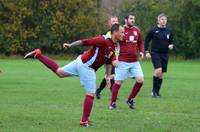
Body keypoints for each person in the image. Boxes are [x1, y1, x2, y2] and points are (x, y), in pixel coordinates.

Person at [24, 24, 124, 127]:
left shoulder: (116, 46)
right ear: (115, 32)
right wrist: (70, 45)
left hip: (81, 61)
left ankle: (38, 54)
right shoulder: (103, 40)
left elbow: (108, 61)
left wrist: (108, 75)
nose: (123, 34)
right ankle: (84, 121)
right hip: (86, 66)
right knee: (91, 92)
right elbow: (85, 41)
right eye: (121, 32)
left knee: (60, 72)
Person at [109, 15, 144, 110]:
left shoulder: (137, 30)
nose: (133, 20)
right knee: (118, 82)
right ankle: (112, 103)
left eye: (134, 19)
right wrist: (114, 58)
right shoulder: (121, 30)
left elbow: (140, 43)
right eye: (131, 19)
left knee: (140, 80)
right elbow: (114, 45)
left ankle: (130, 99)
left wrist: (141, 52)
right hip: (122, 61)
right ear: (126, 20)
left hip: (134, 62)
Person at [144, 13, 174, 97]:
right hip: (155, 53)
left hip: (165, 54)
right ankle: (153, 91)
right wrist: (146, 52)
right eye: (162, 19)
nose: (164, 21)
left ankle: (157, 92)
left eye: (165, 19)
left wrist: (171, 45)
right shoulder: (153, 30)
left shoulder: (169, 31)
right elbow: (146, 41)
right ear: (158, 20)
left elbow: (171, 41)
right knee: (158, 71)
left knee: (161, 74)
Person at [96, 16, 119, 99]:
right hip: (108, 58)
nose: (115, 23)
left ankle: (98, 90)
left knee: (110, 76)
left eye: (116, 21)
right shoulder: (105, 34)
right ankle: (113, 95)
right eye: (113, 21)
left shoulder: (120, 33)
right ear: (109, 23)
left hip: (116, 58)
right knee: (112, 75)